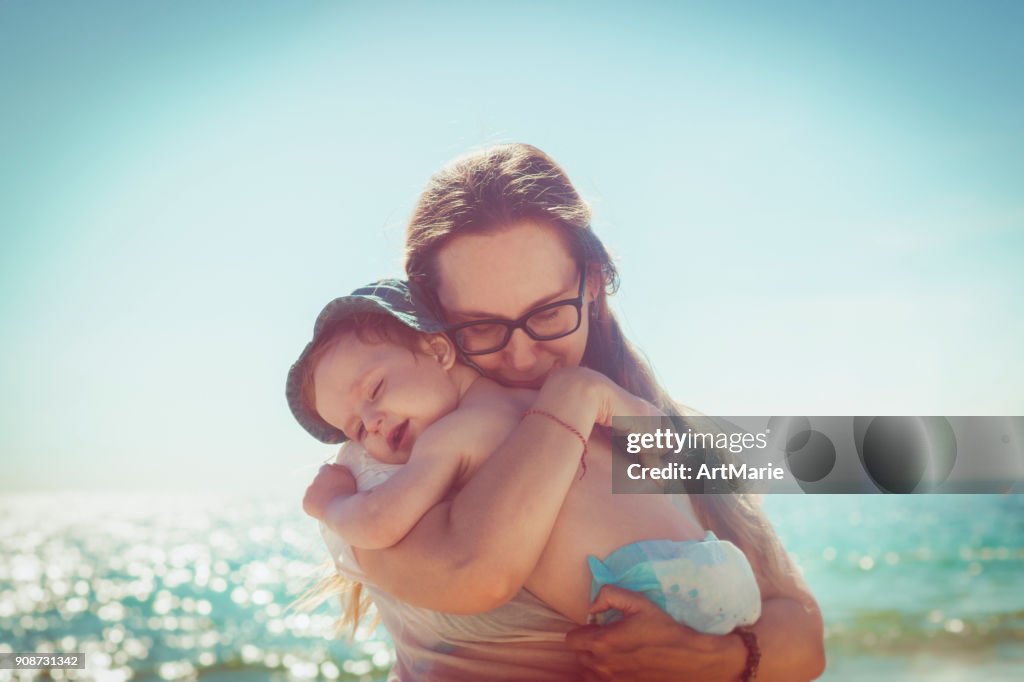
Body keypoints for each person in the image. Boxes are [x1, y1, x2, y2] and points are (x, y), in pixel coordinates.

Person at [300, 143, 825, 681]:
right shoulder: (379, 465)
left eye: (549, 313)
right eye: (481, 326)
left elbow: (805, 637)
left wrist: (720, 659)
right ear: (436, 331)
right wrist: (571, 400)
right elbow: (471, 570)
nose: (522, 356)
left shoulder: (669, 431)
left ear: (592, 286)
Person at [288, 281, 763, 635]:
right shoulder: (544, 399)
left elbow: (380, 522)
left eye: (375, 389)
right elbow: (661, 438)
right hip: (719, 563)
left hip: (644, 587)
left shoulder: (452, 438)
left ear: (437, 350)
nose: (370, 421)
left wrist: (330, 504)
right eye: (354, 427)